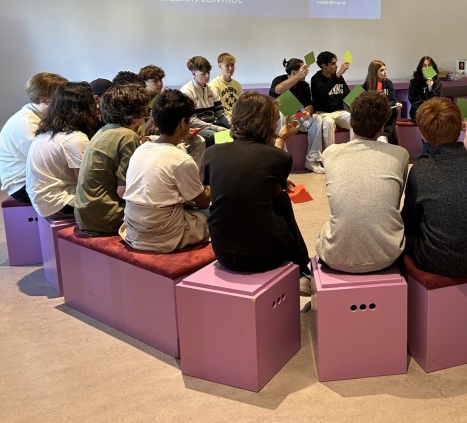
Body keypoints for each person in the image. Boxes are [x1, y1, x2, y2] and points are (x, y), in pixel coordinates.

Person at [205, 92, 312, 294]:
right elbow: (272, 161)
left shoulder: (212, 153)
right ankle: (301, 268)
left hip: (223, 252)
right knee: (281, 198)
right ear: (269, 123)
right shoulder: (280, 158)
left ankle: (302, 268)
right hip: (267, 255)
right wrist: (281, 139)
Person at [402, 98, 467, 277]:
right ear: (459, 128)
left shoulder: (421, 169)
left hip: (435, 260)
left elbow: (410, 217)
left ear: (423, 134)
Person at [316, 92, 409, 273]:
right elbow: (394, 203)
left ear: (350, 122)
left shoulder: (330, 153)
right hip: (388, 255)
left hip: (335, 255)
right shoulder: (400, 154)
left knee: (327, 226)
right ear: (382, 128)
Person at [119, 89, 210, 252]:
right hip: (164, 234)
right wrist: (210, 189)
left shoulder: (140, 149)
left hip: (134, 228)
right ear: (183, 123)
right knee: (217, 212)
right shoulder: (181, 160)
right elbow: (201, 202)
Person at [75, 84, 150, 236]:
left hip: (86, 214)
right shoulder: (127, 137)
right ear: (137, 111)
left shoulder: (104, 130)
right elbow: (124, 191)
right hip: (106, 217)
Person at [26, 82, 99, 219]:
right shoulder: (74, 138)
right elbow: (86, 183)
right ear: (83, 108)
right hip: (58, 203)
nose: (97, 106)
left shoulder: (46, 131)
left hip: (43, 199)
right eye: (93, 102)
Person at [0, 72, 67, 203]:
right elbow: (45, 162)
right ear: (43, 99)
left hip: (32, 178)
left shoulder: (40, 116)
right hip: (22, 186)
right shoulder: (26, 124)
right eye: (60, 96)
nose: (65, 100)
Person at [269, 58, 324, 174]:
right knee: (280, 114)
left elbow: (308, 104)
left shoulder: (304, 85)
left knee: (317, 119)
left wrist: (308, 111)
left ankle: (312, 160)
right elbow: (278, 90)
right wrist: (298, 77)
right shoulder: (279, 80)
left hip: (297, 115)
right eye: (303, 70)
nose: (306, 72)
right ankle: (281, 160)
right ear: (294, 72)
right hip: (279, 117)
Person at [180, 56, 230, 146]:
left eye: (208, 72)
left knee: (236, 132)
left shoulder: (212, 89)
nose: (207, 76)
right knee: (216, 136)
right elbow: (191, 121)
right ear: (193, 73)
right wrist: (216, 128)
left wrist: (232, 125)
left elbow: (220, 114)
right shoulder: (187, 91)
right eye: (203, 73)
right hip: (195, 128)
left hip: (212, 124)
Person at [311, 50, 352, 148]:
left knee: (355, 121)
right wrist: (339, 74)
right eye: (333, 63)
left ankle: (354, 151)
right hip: (323, 113)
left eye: (336, 63)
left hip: (339, 112)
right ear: (324, 66)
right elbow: (321, 92)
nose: (337, 66)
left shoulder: (338, 78)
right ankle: (330, 155)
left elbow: (348, 95)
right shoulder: (316, 78)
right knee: (328, 123)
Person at [361, 59, 402, 144]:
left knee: (393, 108)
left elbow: (392, 100)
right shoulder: (366, 85)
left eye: (385, 69)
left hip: (386, 111)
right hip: (373, 113)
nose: (385, 72)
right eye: (382, 70)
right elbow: (360, 103)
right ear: (375, 73)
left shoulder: (388, 83)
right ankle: (385, 136)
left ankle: (384, 136)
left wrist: (385, 100)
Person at [209, 52, 243, 121]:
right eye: (227, 66)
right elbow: (217, 111)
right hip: (223, 120)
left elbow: (242, 105)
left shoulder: (237, 85)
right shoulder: (214, 84)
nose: (231, 68)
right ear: (219, 66)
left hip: (237, 118)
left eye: (232, 65)